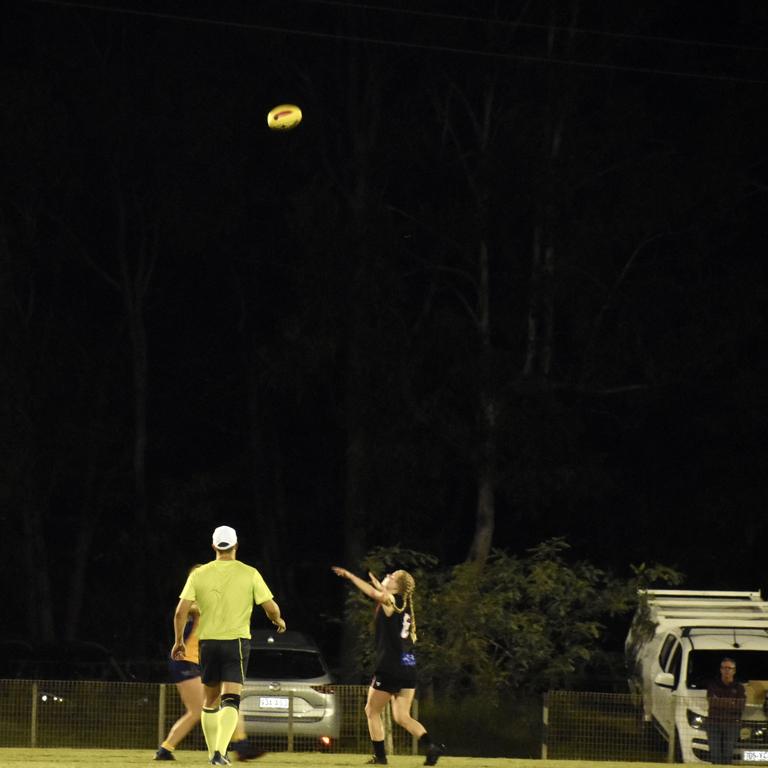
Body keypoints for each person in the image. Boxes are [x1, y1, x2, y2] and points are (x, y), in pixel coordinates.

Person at [172, 525, 286, 766]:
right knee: (231, 700)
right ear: (236, 545)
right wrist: (278, 620)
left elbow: (180, 612)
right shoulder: (250, 573)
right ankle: (220, 753)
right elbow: (271, 607)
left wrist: (178, 641)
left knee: (209, 701)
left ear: (214, 546)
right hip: (236, 642)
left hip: (208, 644)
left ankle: (214, 752)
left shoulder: (199, 574)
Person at [331, 565, 444, 766]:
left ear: (397, 587)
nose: (388, 576)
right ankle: (431, 746)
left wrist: (350, 576)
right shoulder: (405, 606)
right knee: (402, 716)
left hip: (390, 667)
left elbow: (376, 594)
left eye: (393, 576)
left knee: (371, 711)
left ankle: (381, 757)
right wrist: (378, 585)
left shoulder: (392, 601)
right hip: (408, 667)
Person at [155, 565, 261, 762]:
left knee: (215, 705)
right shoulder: (195, 603)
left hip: (196, 661)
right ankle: (240, 745)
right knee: (213, 705)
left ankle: (166, 749)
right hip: (186, 662)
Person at [707, 656, 746, 764]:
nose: (727, 670)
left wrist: (720, 702)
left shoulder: (739, 688)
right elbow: (712, 702)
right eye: (724, 668)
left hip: (731, 725)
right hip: (714, 724)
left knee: (727, 756)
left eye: (729, 668)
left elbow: (740, 706)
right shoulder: (713, 685)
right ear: (720, 669)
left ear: (734, 671)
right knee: (715, 756)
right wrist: (731, 703)